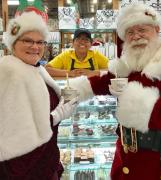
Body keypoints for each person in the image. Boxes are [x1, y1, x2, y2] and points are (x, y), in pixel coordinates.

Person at [66, 3, 161, 180]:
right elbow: (104, 81)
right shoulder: (128, 62)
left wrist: (127, 96)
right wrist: (73, 90)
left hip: (160, 161)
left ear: (157, 29)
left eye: (142, 29)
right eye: (130, 32)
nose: (136, 37)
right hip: (126, 156)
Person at [0, 11, 78, 180]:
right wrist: (58, 115)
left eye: (40, 42)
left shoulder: (34, 68)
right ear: (13, 43)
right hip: (24, 168)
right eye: (28, 40)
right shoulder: (10, 73)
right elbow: (16, 129)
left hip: (43, 160)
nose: (35, 47)